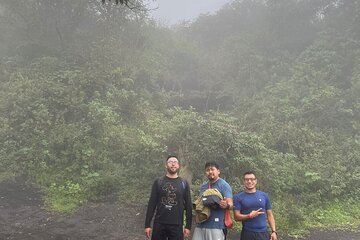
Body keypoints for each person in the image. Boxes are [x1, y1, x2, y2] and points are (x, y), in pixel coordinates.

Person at [144, 155, 192, 240]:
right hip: (159, 223)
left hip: (176, 224)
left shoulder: (183, 183)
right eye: (170, 162)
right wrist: (147, 225)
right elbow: (152, 204)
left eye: (175, 162)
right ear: (166, 165)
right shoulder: (159, 182)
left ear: (178, 165)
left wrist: (188, 226)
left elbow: (188, 205)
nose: (173, 164)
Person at [192, 161, 233, 240]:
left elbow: (230, 203)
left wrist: (226, 205)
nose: (210, 172)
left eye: (212, 169)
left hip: (216, 226)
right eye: (207, 170)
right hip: (201, 224)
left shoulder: (224, 185)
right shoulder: (203, 186)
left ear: (218, 171)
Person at [233, 171, 277, 240]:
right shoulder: (238, 197)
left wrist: (274, 231)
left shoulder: (264, 196)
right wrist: (249, 216)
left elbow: (270, 215)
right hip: (247, 233)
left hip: (263, 233)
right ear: (244, 182)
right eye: (247, 180)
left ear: (256, 181)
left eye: (252, 179)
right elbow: (236, 217)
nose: (249, 181)